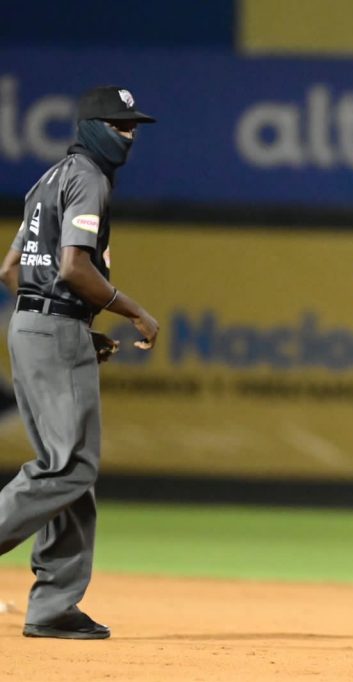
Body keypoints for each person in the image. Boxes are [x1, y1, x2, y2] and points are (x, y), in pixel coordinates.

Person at [0, 85, 160, 639]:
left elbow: (10, 271)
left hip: (30, 324)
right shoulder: (88, 178)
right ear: (92, 127)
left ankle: (52, 606)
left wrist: (67, 321)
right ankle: (52, 602)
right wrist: (130, 310)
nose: (130, 133)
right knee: (68, 467)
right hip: (52, 326)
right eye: (120, 125)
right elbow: (72, 267)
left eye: (134, 126)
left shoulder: (46, 180)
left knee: (71, 468)